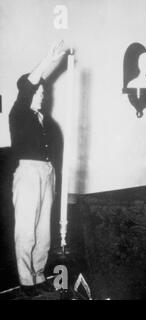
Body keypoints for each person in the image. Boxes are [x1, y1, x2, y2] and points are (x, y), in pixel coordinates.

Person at [8, 41, 65, 298]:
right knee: (26, 229)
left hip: (46, 172)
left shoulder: (46, 121)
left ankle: (39, 274)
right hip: (28, 173)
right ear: (27, 93)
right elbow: (28, 85)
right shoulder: (19, 112)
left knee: (44, 229)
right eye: (38, 92)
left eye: (43, 92)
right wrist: (47, 61)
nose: (42, 95)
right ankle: (25, 279)